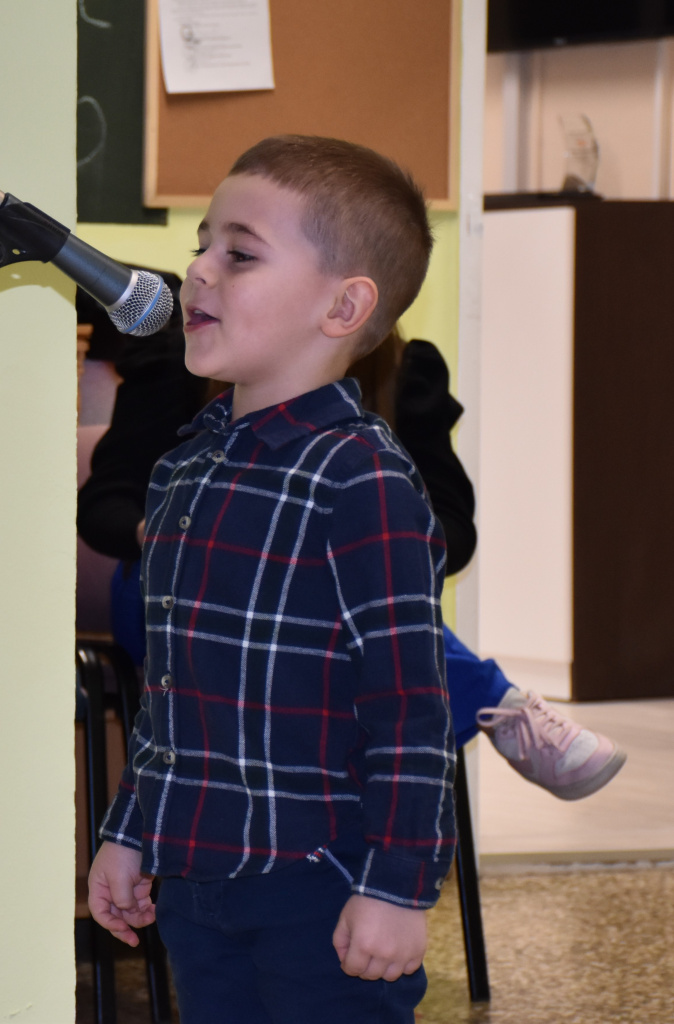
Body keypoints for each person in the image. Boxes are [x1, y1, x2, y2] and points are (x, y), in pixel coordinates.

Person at [86, 135, 454, 1024]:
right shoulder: (185, 468)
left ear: (343, 306)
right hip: (198, 882)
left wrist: (398, 885)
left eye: (239, 254)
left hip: (319, 886)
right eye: (201, 246)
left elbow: (410, 708)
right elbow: (172, 690)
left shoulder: (361, 479)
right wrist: (130, 831)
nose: (198, 272)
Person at [78, 299, 627, 802]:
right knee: (318, 591)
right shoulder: (184, 359)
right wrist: (171, 528)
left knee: (333, 582)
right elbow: (103, 508)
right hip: (171, 590)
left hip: (331, 599)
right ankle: (494, 704)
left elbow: (453, 534)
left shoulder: (405, 371)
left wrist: (367, 533)